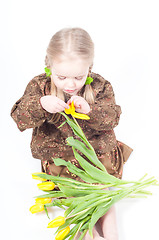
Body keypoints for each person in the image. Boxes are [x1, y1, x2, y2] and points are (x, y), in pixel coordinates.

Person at [11, 27, 132, 240]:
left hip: (97, 156)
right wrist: (41, 104)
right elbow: (19, 116)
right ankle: (87, 231)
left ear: (89, 68)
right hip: (61, 160)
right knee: (74, 193)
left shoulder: (100, 86)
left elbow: (114, 116)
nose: (70, 84)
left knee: (101, 189)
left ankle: (111, 230)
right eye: (62, 77)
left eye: (78, 77)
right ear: (49, 67)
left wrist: (90, 110)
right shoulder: (40, 86)